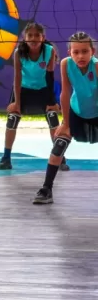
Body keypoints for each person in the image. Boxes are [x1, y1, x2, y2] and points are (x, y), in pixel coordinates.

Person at [33, 32, 97, 205]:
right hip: (76, 111)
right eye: (76, 52)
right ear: (70, 53)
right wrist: (66, 123)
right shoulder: (65, 64)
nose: (80, 56)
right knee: (59, 144)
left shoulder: (97, 67)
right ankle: (46, 190)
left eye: (85, 51)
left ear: (93, 52)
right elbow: (65, 93)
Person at [0, 23, 64, 171]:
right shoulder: (18, 53)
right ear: (24, 38)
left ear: (43, 38)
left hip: (43, 90)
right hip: (23, 90)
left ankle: (60, 158)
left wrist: (52, 102)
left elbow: (50, 77)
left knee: (53, 116)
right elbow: (17, 78)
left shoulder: (49, 51)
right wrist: (16, 103)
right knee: (12, 118)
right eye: (30, 36)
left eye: (37, 35)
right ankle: (6, 158)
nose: (33, 39)